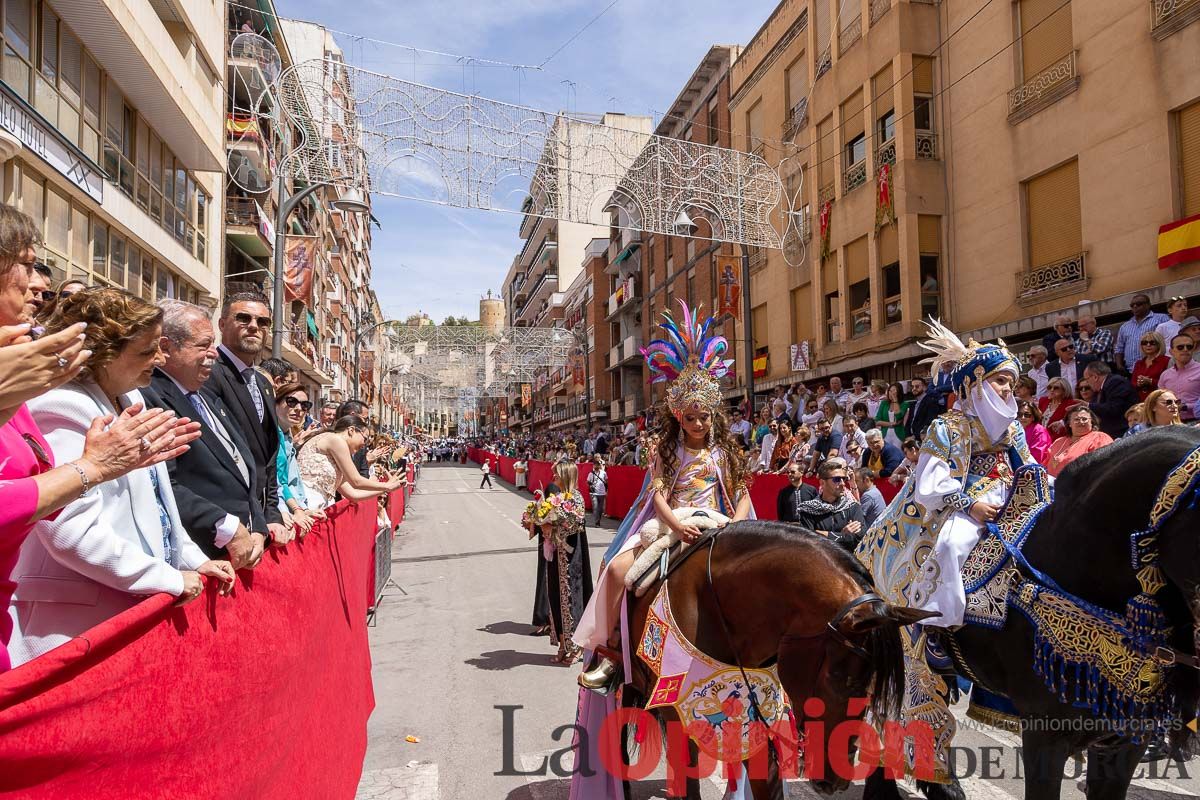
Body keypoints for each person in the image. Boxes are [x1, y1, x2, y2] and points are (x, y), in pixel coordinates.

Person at [9, 290, 232, 666]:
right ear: (104, 353)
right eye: (147, 351)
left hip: (127, 613)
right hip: (74, 627)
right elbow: (69, 530)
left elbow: (158, 508)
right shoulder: (62, 406)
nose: (159, 359)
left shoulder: (131, 400)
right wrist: (166, 578)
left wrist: (190, 560)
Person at [857, 321, 1036, 784]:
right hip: (948, 507)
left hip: (1001, 498)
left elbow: (1027, 468)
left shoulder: (1013, 429)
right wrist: (970, 503)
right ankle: (940, 622)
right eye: (1000, 380)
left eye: (1012, 381)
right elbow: (933, 482)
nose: (1008, 388)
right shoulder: (949, 425)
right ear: (975, 383)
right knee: (956, 543)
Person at [574, 301, 751, 694]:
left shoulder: (727, 452)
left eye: (705, 416)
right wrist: (676, 524)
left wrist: (736, 525)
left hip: (719, 523)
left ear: (713, 415)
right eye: (691, 417)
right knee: (617, 569)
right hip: (673, 523)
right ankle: (611, 652)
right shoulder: (666, 452)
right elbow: (658, 497)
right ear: (678, 417)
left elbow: (740, 495)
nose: (700, 424)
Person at [144, 300, 275, 561]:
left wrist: (258, 526)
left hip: (241, 549)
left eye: (212, 344)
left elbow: (247, 467)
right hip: (201, 554)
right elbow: (162, 485)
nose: (213, 353)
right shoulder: (149, 398)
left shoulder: (206, 396)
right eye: (203, 345)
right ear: (166, 347)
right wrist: (226, 528)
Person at [205, 292, 287, 543]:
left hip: (259, 520)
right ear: (222, 324)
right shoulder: (207, 372)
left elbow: (269, 457)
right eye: (244, 318)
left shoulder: (262, 382)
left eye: (263, 322)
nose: (254, 326)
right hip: (229, 525)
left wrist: (272, 514)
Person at [541, 460, 592, 665]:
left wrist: (552, 524)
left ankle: (576, 647)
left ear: (566, 476)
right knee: (555, 596)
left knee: (571, 599)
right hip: (555, 555)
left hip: (571, 558)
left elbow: (574, 524)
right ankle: (562, 644)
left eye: (557, 474)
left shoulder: (575, 498)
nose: (553, 478)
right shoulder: (557, 498)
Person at [297, 415, 404, 507]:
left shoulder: (335, 454)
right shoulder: (336, 440)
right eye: (365, 438)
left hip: (318, 506)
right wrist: (386, 485)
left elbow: (353, 494)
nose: (364, 445)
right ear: (351, 430)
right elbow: (356, 481)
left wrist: (387, 489)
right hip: (307, 502)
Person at [273, 383, 323, 537]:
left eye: (305, 405)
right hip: (277, 511)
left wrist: (304, 508)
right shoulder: (273, 435)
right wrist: (296, 510)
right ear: (276, 403)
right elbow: (278, 481)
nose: (299, 409)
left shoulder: (286, 435)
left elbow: (292, 481)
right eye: (291, 402)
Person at [790, 458, 865, 550]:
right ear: (822, 482)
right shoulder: (808, 510)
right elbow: (809, 542)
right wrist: (843, 536)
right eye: (837, 479)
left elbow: (860, 537)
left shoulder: (852, 507)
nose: (843, 484)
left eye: (844, 479)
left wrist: (825, 534)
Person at [1046, 405, 1113, 478]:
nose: (1081, 422)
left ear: (1091, 422)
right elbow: (1045, 464)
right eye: (1076, 419)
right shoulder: (1059, 441)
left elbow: (1103, 466)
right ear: (1069, 424)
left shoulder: (1099, 438)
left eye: (1084, 419)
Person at [1114, 294, 1169, 375]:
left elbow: (1168, 342)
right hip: (1130, 372)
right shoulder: (1125, 326)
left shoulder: (1161, 318)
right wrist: (1119, 365)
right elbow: (1119, 348)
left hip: (1156, 369)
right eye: (1132, 305)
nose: (1135, 306)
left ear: (1148, 305)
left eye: (1139, 304)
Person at [1084, 360, 1138, 438]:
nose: (1087, 383)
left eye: (1087, 379)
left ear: (1095, 377)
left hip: (1122, 433)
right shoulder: (1099, 390)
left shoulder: (1115, 382)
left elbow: (1114, 408)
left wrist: (1088, 405)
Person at [1158, 333, 1200, 423]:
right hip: (1171, 423)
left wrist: (1185, 406)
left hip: (1196, 422)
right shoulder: (1165, 375)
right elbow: (1159, 400)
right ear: (1171, 351)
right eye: (1180, 347)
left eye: (1189, 347)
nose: (1185, 350)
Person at [903, 375, 945, 441]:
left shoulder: (931, 402)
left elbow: (929, 423)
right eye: (912, 386)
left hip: (923, 439)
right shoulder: (913, 404)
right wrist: (907, 436)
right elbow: (909, 422)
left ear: (925, 388)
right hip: (911, 439)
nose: (914, 388)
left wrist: (914, 437)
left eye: (917, 386)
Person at [1130, 331, 1170, 401]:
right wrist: (1138, 384)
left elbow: (1170, 383)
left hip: (1158, 400)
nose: (1148, 345)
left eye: (1152, 343)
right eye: (1144, 343)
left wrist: (1151, 381)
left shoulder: (1166, 361)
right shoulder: (1139, 363)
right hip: (1140, 401)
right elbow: (1133, 383)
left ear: (1159, 345)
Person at [874, 381, 910, 447]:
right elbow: (877, 421)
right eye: (890, 391)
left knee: (898, 453)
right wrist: (891, 424)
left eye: (894, 391)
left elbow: (898, 416)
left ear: (899, 392)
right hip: (885, 434)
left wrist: (895, 400)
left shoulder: (904, 404)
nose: (891, 393)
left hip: (898, 434)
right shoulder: (884, 403)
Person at [1017, 400, 1052, 464]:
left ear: (1033, 417)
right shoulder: (1015, 429)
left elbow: (1037, 456)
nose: (1022, 417)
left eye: (1027, 415)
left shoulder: (1039, 431)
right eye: (1019, 414)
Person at [587, 456, 607, 525]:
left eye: (598, 464)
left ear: (600, 465)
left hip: (602, 493)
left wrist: (606, 490)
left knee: (600, 509)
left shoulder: (603, 473)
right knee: (595, 507)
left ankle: (598, 519)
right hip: (593, 493)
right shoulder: (591, 473)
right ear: (593, 465)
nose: (597, 466)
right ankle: (597, 521)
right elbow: (587, 482)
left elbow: (606, 481)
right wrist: (590, 486)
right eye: (595, 464)